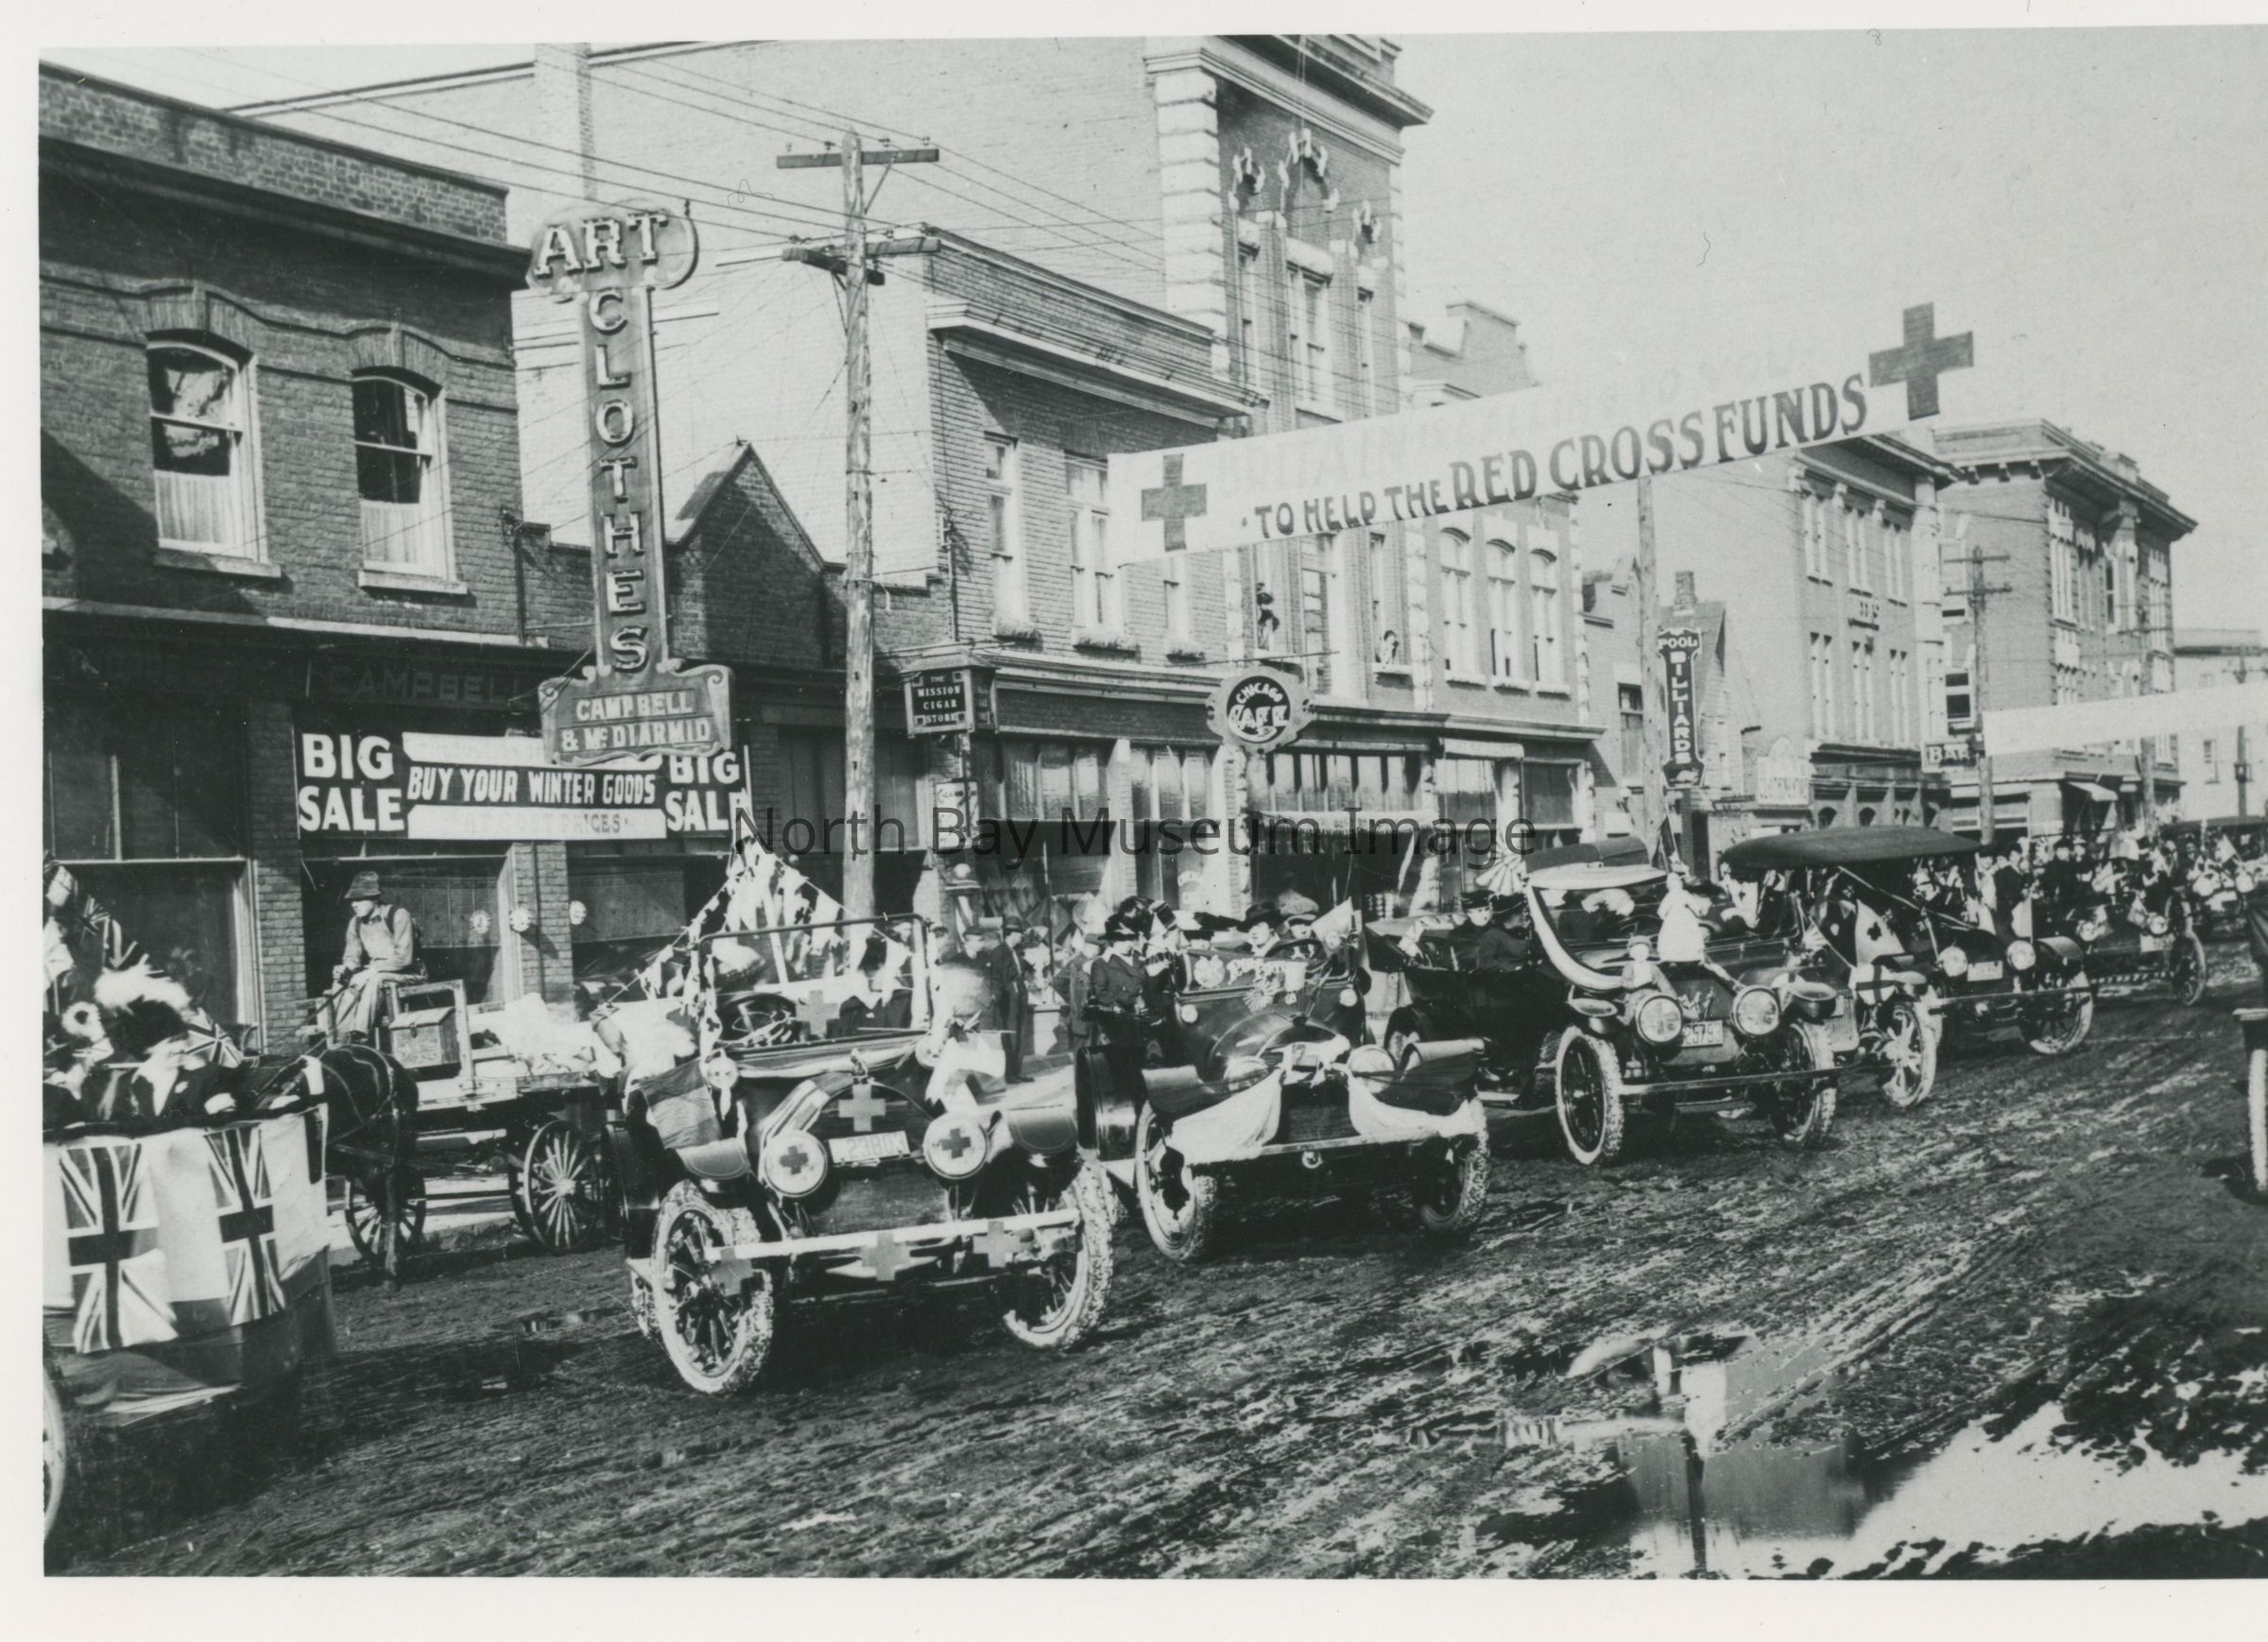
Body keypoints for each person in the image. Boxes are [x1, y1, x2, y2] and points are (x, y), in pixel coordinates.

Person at [327, 870, 422, 1042]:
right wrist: (345, 969)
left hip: (409, 973)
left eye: (359, 899)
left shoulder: (398, 915)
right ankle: (340, 1037)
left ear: (375, 899)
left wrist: (371, 972)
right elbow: (352, 957)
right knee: (340, 982)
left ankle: (360, 1034)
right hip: (376, 972)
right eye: (352, 900)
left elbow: (404, 958)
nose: (354, 904)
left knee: (375, 979)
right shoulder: (355, 923)